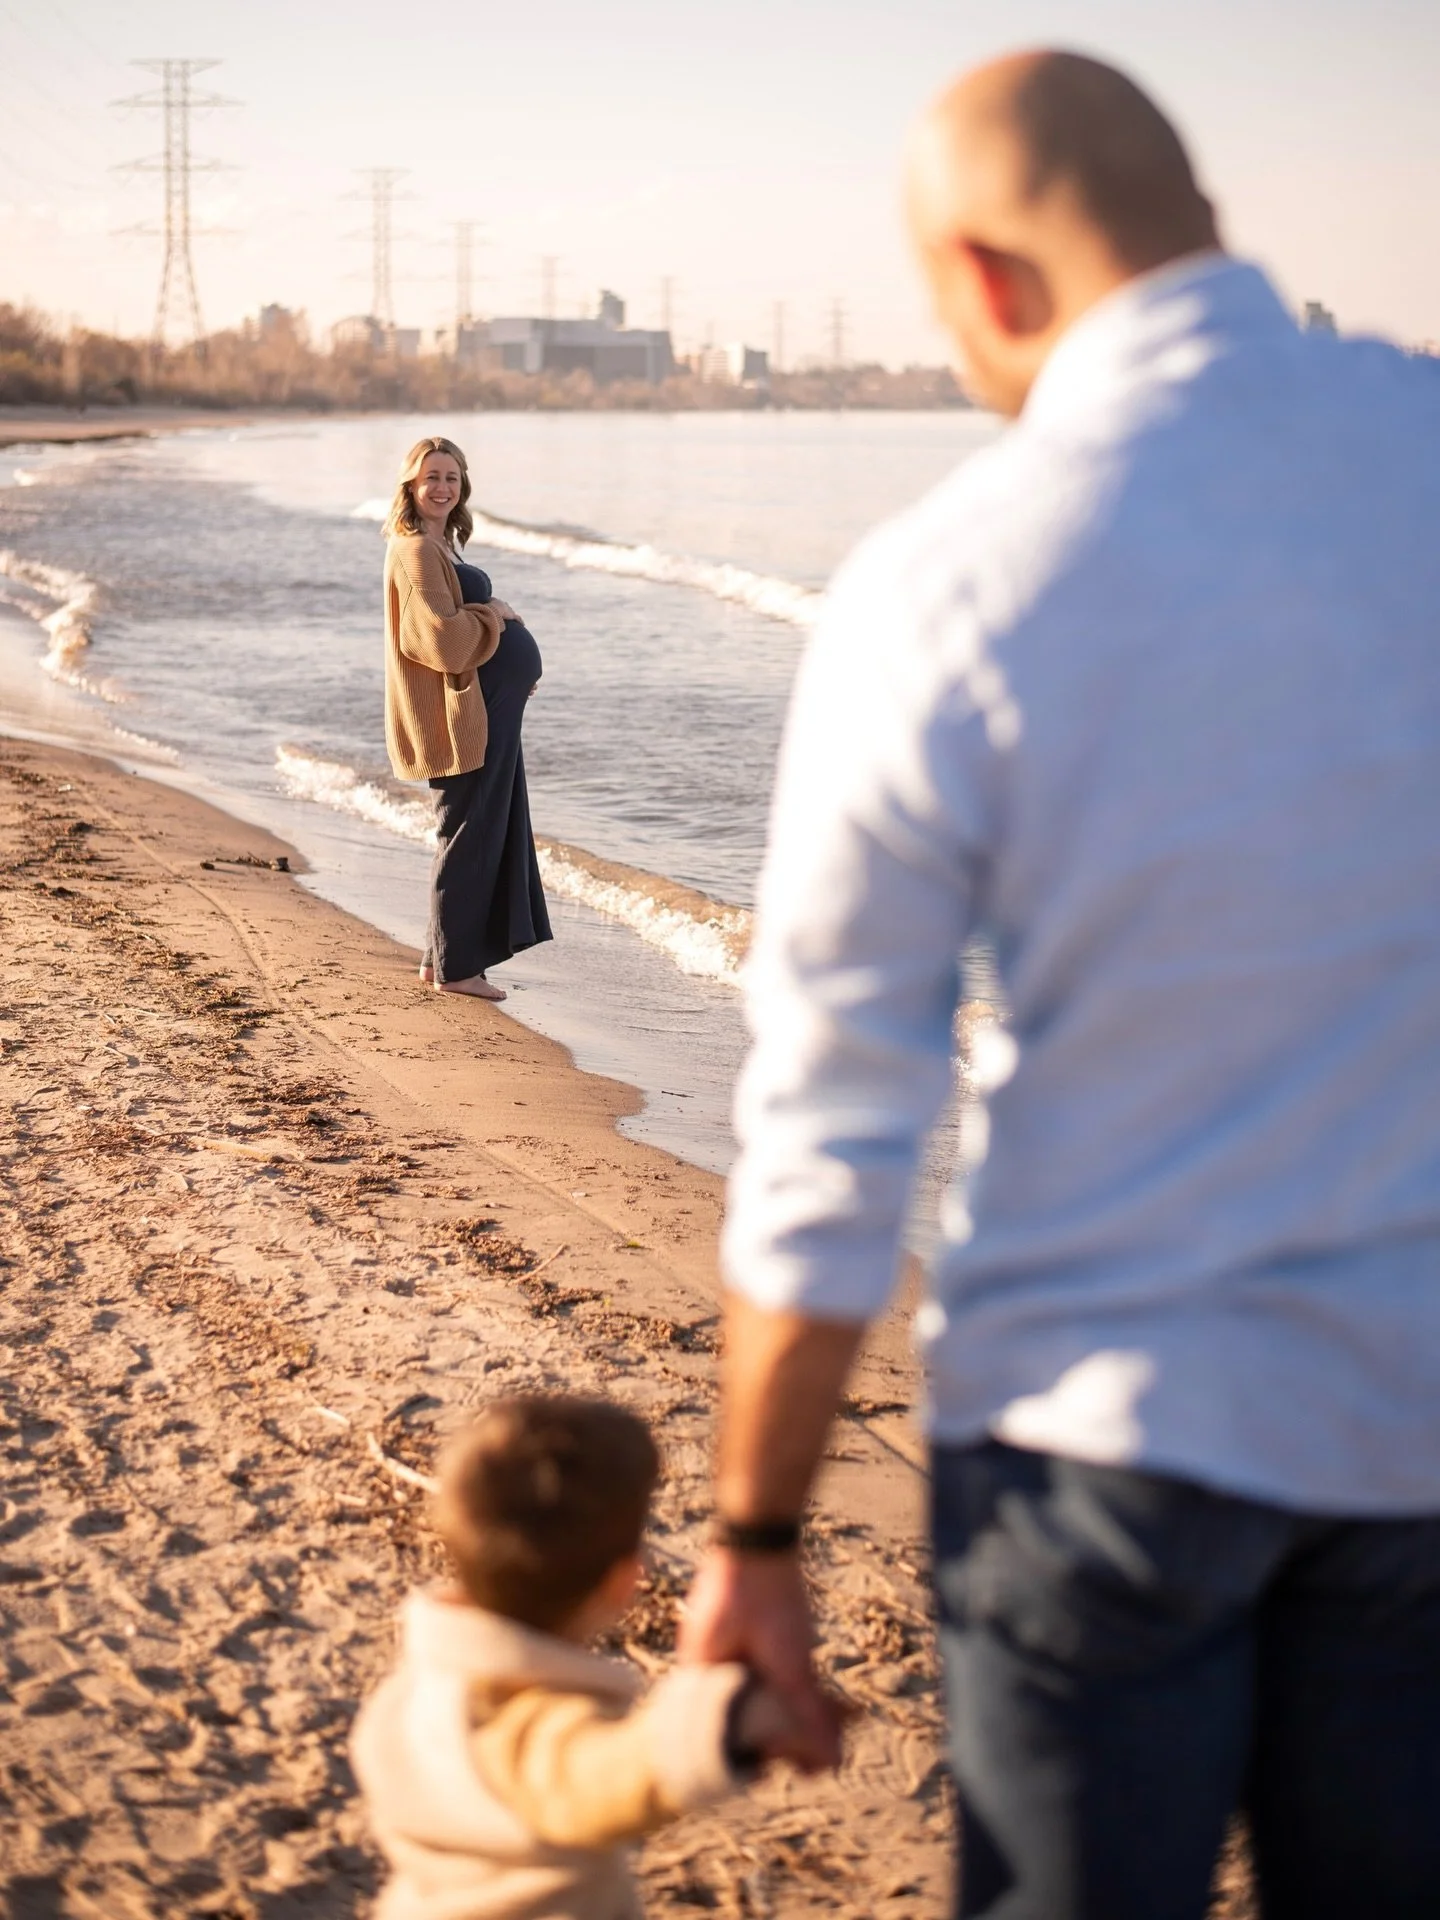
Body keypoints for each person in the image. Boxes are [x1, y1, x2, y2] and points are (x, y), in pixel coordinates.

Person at [680, 48, 1440, 1920]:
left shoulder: (946, 583)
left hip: (1098, 1445)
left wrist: (757, 1532)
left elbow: (835, 1128)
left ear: (991, 282)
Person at [351, 1394, 799, 1920]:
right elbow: (611, 1773)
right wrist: (730, 1715)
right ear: (623, 1584)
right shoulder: (525, 1731)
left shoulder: (413, 1691)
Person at [383, 435, 552, 1004]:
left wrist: (514, 667)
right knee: (467, 831)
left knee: (476, 826)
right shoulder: (414, 550)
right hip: (461, 718)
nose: (442, 487)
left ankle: (440, 961)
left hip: (485, 710)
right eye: (431, 476)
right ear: (411, 483)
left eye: (452, 478)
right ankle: (458, 970)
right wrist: (495, 614)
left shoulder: (438, 544)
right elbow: (444, 642)